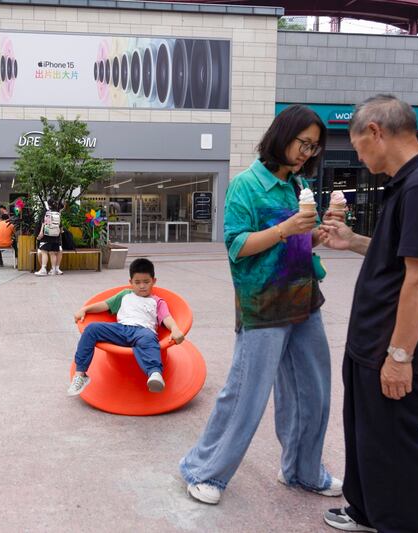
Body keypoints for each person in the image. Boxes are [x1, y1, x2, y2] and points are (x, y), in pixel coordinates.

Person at [317, 95, 418, 533]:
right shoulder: (412, 185)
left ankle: (396, 524)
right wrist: (355, 240)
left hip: (396, 349)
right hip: (373, 344)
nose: (360, 159)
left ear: (375, 131)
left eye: (359, 147)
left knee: (393, 448)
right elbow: (403, 255)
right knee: (367, 437)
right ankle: (366, 510)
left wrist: (400, 357)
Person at [180, 104, 343, 506]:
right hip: (264, 305)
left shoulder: (294, 186)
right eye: (303, 143)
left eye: (315, 147)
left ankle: (302, 471)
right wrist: (286, 228)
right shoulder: (246, 185)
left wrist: (321, 232)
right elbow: (237, 246)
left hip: (305, 299)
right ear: (282, 135)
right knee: (245, 393)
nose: (308, 153)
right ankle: (204, 471)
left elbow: (298, 243)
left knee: (313, 391)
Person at [68, 258, 185, 396]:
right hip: (120, 329)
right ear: (131, 283)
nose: (142, 286)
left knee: (149, 339)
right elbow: (105, 305)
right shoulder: (125, 295)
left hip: (143, 331)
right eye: (137, 282)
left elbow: (167, 318)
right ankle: (80, 374)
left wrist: (175, 329)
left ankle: (155, 374)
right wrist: (85, 309)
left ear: (154, 281)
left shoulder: (157, 301)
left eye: (146, 282)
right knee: (91, 329)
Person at [35, 199, 63, 276]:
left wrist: (41, 233)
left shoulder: (46, 213)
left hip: (46, 235)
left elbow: (43, 223)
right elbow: (61, 227)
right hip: (55, 236)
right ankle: (53, 270)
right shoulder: (57, 213)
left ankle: (43, 269)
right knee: (53, 253)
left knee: (44, 252)